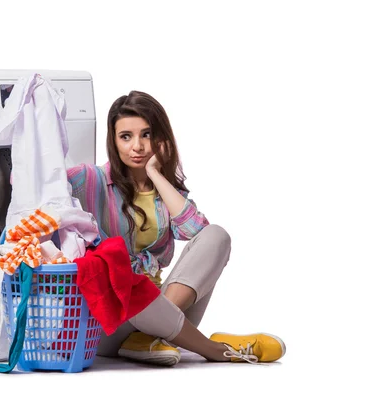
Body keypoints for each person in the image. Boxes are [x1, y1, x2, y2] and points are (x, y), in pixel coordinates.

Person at [66, 90, 285, 365]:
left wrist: (155, 174)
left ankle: (150, 339)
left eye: (146, 135)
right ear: (113, 140)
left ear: (161, 139)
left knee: (217, 235)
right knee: (129, 282)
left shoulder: (165, 191)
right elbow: (36, 184)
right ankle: (214, 349)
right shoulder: (89, 179)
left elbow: (198, 232)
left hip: (164, 306)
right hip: (112, 321)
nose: (137, 146)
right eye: (126, 136)